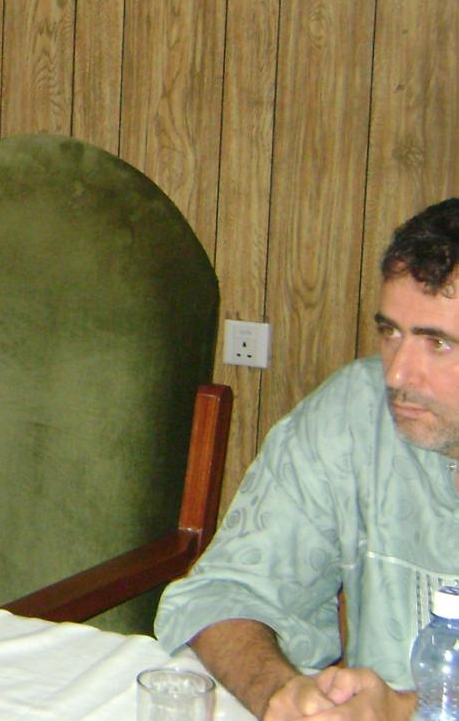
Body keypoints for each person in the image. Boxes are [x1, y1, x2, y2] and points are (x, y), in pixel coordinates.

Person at [155, 198, 459, 720]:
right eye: (391, 333)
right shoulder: (356, 411)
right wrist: (280, 693)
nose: (396, 375)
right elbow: (222, 593)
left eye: (438, 344)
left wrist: (406, 709)